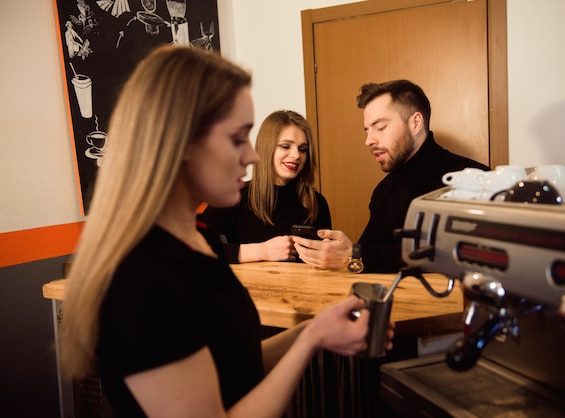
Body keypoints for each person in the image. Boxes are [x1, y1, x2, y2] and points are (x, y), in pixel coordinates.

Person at [59, 45, 392, 417]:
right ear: (181, 141)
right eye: (237, 139)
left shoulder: (198, 240)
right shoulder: (142, 275)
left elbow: (234, 366)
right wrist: (310, 340)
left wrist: (315, 331)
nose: (251, 157)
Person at [294, 79, 490, 273]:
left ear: (416, 123)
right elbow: (365, 257)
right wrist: (346, 254)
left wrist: (356, 255)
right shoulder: (384, 191)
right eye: (367, 130)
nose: (369, 140)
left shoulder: (475, 180)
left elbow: (462, 253)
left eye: (380, 127)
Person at [200, 110, 331, 264]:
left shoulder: (317, 203)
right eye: (285, 146)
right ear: (266, 148)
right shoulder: (233, 197)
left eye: (302, 149)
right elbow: (195, 247)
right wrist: (261, 251)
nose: (296, 155)